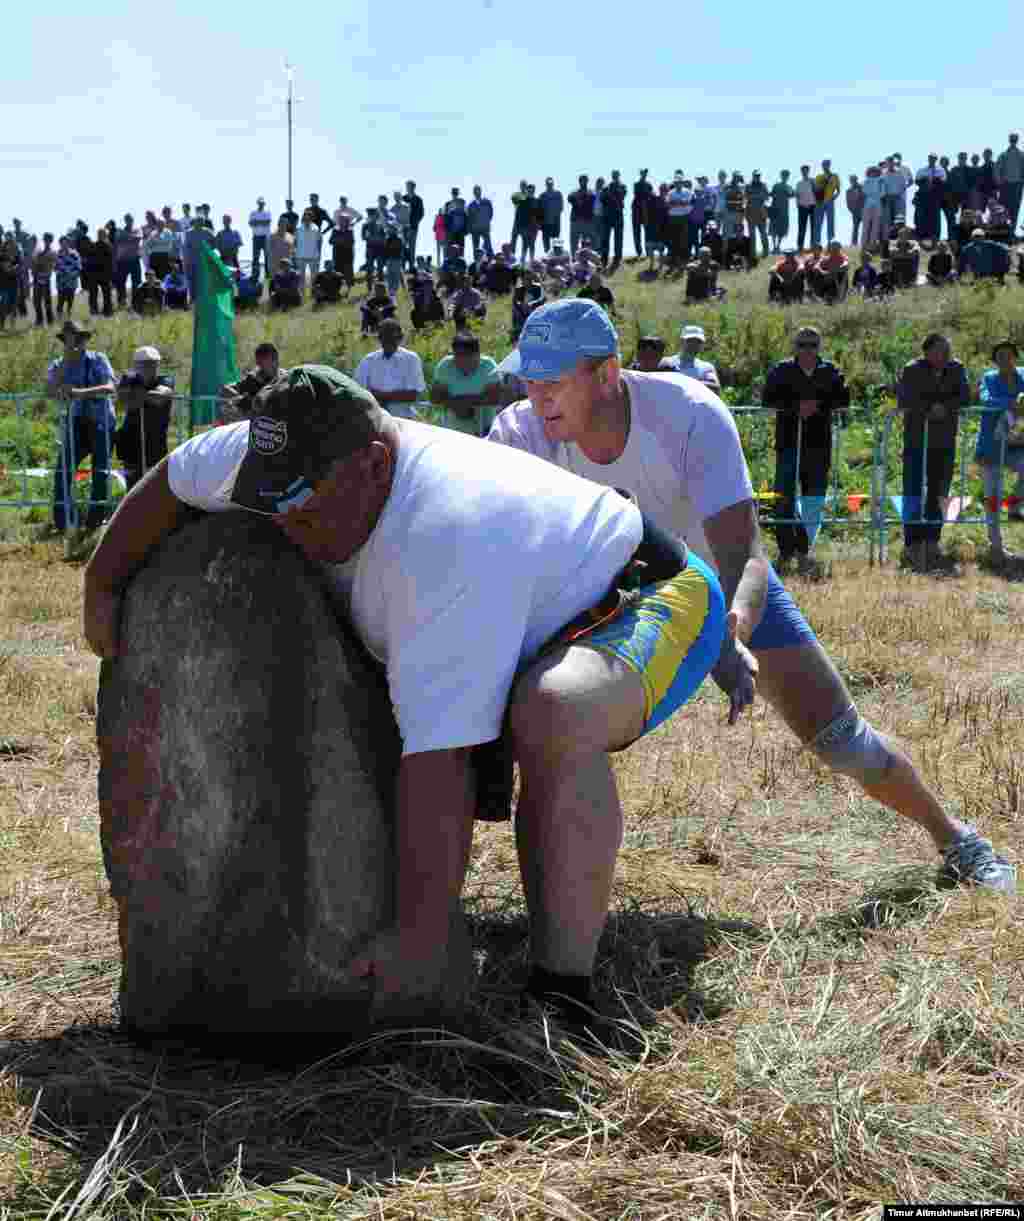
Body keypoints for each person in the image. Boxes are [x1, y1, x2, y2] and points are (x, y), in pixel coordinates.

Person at [489, 300, 1016, 897]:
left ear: (606, 373)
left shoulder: (689, 414)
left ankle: (957, 840)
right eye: (528, 381)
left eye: (553, 382)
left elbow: (746, 559)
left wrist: (727, 631)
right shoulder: (517, 434)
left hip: (722, 589)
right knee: (540, 715)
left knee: (843, 740)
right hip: (609, 605)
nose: (537, 398)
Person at [762, 328, 849, 575]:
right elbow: (768, 399)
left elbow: (844, 400)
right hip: (788, 442)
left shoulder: (830, 372)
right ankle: (787, 550)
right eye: (802, 344)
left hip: (818, 445)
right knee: (784, 499)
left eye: (812, 345)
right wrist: (795, 407)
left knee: (813, 501)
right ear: (795, 346)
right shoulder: (781, 370)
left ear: (819, 347)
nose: (807, 349)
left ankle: (804, 551)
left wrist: (817, 406)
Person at [896, 333, 970, 574]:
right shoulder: (912, 369)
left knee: (940, 492)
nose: (946, 354)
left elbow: (965, 396)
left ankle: (931, 542)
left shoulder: (956, 368)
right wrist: (930, 408)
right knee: (912, 491)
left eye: (948, 349)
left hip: (945, 441)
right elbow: (906, 398)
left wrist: (944, 407)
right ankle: (912, 544)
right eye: (941, 350)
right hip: (917, 440)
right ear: (927, 352)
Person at [47, 320, 117, 532]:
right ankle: (64, 523)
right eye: (70, 339)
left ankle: (95, 522)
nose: (75, 343)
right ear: (64, 341)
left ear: (85, 340)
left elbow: (110, 386)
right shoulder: (58, 364)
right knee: (63, 471)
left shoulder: (98, 359)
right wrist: (65, 364)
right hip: (75, 423)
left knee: (101, 472)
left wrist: (80, 393)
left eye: (78, 338)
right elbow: (50, 391)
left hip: (101, 422)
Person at [975, 340, 1024, 568]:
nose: (1005, 360)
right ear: (995, 361)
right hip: (992, 446)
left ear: (1016, 357)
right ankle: (996, 547)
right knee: (992, 498)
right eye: (1000, 357)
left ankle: (1014, 504)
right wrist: (1012, 403)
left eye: (1009, 355)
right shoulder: (989, 378)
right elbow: (985, 399)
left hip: (1017, 443)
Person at [114, 345, 176, 491]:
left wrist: (136, 396)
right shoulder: (128, 379)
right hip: (131, 442)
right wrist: (143, 396)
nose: (150, 367)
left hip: (156, 440)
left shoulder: (165, 379)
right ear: (136, 365)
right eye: (145, 364)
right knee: (133, 486)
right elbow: (120, 404)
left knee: (155, 484)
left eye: (153, 364)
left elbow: (160, 397)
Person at [352, 318, 425, 422]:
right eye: (384, 338)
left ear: (400, 338)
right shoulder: (368, 360)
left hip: (403, 419)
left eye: (392, 338)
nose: (388, 342)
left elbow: (413, 395)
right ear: (379, 339)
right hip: (374, 420)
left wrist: (379, 396)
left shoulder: (411, 359)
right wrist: (396, 395)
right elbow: (358, 393)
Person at [430, 331, 502, 437]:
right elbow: (435, 398)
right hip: (452, 430)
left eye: (467, 355)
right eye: (458, 355)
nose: (462, 359)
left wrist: (464, 403)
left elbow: (495, 398)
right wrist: (455, 405)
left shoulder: (489, 366)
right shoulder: (445, 366)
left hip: (484, 430)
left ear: (477, 353)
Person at [220, 343, 281, 418]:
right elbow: (225, 389)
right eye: (259, 363)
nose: (259, 366)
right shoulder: (253, 379)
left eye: (262, 363)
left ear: (275, 360)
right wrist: (240, 399)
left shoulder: (286, 379)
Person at [664, 324, 721, 391]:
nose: (694, 344)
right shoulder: (666, 363)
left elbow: (715, 388)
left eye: (698, 342)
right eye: (690, 341)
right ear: (682, 341)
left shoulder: (707, 368)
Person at [114, 214, 144, 308]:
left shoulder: (137, 230)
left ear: (132, 220)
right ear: (125, 220)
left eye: (130, 219)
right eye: (127, 219)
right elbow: (117, 241)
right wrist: (130, 238)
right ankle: (122, 302)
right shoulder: (119, 231)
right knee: (120, 282)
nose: (128, 221)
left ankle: (136, 303)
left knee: (136, 282)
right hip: (122, 260)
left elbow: (138, 239)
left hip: (134, 259)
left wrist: (125, 238)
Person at [996, 133, 1024, 234]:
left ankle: (1011, 233)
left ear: (1016, 140)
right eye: (1012, 139)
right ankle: (1003, 233)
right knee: (1003, 210)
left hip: (1017, 186)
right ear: (1009, 140)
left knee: (1014, 210)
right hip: (1006, 186)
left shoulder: (1021, 154)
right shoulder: (1004, 154)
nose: (1013, 140)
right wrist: (1000, 182)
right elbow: (997, 169)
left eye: (1014, 139)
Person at [84, 229, 115, 317]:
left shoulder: (107, 246)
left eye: (103, 234)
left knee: (106, 294)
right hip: (95, 273)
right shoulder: (95, 245)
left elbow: (111, 261)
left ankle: (106, 312)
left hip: (103, 274)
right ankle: (96, 312)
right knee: (95, 294)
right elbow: (88, 260)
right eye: (100, 234)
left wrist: (111, 274)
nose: (101, 236)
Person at [30, 232, 57, 327]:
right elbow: (33, 264)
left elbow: (52, 266)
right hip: (37, 279)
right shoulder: (38, 251)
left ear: (51, 241)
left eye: (49, 239)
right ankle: (39, 320)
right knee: (36, 301)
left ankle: (50, 321)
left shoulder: (53, 252)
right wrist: (34, 274)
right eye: (45, 239)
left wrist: (45, 272)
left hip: (46, 279)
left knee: (47, 301)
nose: (47, 241)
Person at [568, 175, 597, 257]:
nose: (583, 182)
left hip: (587, 221)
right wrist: (579, 196)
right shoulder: (574, 192)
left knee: (587, 243)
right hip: (575, 221)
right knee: (574, 243)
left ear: (587, 181)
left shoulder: (591, 192)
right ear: (579, 181)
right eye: (582, 180)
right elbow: (569, 198)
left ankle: (587, 260)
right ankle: (574, 260)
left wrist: (581, 197)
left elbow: (593, 199)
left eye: (585, 180)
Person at [54, 235, 81, 318]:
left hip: (72, 283)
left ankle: (69, 318)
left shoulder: (74, 254)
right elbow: (54, 268)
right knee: (60, 302)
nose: (64, 244)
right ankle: (59, 318)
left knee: (70, 302)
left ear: (68, 243)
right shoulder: (57, 254)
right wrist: (61, 272)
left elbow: (79, 268)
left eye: (66, 243)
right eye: (62, 243)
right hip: (61, 283)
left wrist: (71, 274)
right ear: (60, 243)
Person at [745, 171, 771, 258]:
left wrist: (754, 196)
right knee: (752, 235)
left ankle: (766, 253)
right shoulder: (748, 186)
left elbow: (767, 197)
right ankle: (752, 253)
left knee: (763, 233)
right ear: (753, 176)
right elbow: (745, 197)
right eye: (756, 175)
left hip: (761, 213)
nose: (757, 177)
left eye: (758, 175)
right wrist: (759, 196)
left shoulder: (763, 185)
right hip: (750, 213)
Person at [860, 165, 885, 250]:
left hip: (877, 204)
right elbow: (864, 191)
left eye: (875, 172)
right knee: (865, 225)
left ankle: (872, 244)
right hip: (868, 204)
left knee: (875, 226)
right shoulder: (866, 181)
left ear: (878, 173)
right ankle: (863, 244)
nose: (873, 173)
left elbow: (883, 193)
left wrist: (875, 193)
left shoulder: (881, 181)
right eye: (871, 172)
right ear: (868, 173)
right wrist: (874, 193)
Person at [0, 234, 22, 331]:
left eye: (12, 244)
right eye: (8, 244)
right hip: (4, 285)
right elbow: (6, 269)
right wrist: (13, 267)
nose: (10, 246)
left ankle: (12, 326)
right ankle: (1, 326)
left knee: (13, 307)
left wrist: (14, 267)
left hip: (15, 284)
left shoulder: (17, 257)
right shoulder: (1, 257)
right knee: (4, 305)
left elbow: (19, 268)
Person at [468, 185, 494, 260]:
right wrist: (470, 229)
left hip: (485, 228)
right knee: (476, 248)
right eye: (475, 191)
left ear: (481, 191)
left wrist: (486, 222)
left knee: (488, 246)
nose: (477, 192)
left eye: (478, 190)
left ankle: (490, 261)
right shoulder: (471, 205)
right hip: (475, 229)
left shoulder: (487, 202)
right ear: (473, 193)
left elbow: (491, 214)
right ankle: (476, 263)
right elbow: (469, 218)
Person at [539, 177, 564, 254]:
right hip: (545, 224)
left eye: (551, 183)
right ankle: (547, 260)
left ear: (553, 184)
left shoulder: (558, 194)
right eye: (548, 183)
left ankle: (559, 258)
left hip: (556, 223)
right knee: (546, 246)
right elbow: (539, 211)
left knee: (557, 244)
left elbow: (561, 208)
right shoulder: (542, 195)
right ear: (546, 184)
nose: (549, 185)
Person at [402, 181, 424, 270]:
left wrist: (414, 223)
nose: (408, 188)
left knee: (412, 246)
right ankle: (402, 266)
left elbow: (421, 213)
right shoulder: (403, 198)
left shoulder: (418, 199)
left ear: (414, 187)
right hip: (402, 227)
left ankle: (411, 266)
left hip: (413, 227)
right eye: (407, 186)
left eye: (410, 186)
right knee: (402, 247)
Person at [631, 169, 653, 257]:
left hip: (646, 211)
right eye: (643, 173)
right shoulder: (636, 184)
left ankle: (648, 251)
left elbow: (650, 196)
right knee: (637, 232)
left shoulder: (649, 185)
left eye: (645, 173)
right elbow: (638, 195)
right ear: (641, 174)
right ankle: (639, 252)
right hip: (637, 210)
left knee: (647, 232)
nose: (644, 175)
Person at [795, 165, 816, 250]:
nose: (804, 172)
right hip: (802, 207)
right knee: (801, 227)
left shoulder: (813, 181)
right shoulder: (799, 183)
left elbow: (817, 192)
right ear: (801, 172)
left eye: (806, 170)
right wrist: (798, 205)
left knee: (813, 227)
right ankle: (800, 246)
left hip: (813, 206)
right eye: (803, 171)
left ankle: (813, 245)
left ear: (808, 171)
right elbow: (797, 196)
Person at [269, 219, 296, 284]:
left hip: (286, 263)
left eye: (285, 224)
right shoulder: (272, 236)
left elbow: (293, 250)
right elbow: (269, 250)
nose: (283, 226)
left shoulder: (291, 237)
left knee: (285, 282)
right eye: (281, 224)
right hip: (275, 263)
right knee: (274, 281)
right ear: (278, 225)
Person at [846, 175, 865, 246]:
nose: (853, 181)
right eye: (851, 180)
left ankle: (865, 242)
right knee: (855, 228)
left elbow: (865, 198)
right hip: (855, 212)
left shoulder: (862, 188)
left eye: (854, 179)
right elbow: (848, 203)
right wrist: (853, 211)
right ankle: (854, 243)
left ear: (857, 180)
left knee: (865, 227)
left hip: (863, 210)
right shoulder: (848, 191)